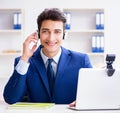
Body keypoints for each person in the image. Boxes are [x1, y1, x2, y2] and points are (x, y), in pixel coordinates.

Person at [3, 8, 92, 105]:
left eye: (57, 32)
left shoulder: (81, 61)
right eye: (45, 31)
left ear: (64, 35)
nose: (51, 38)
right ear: (38, 34)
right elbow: (10, 99)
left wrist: (85, 101)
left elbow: (95, 93)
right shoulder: (24, 62)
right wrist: (24, 58)